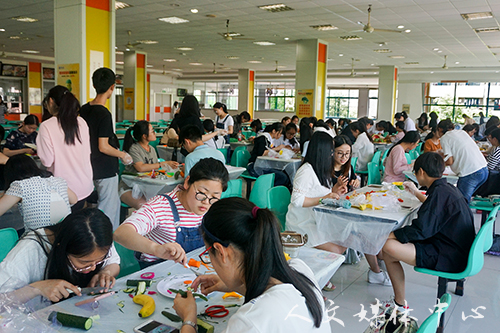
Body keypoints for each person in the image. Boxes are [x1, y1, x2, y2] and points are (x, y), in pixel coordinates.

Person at [172, 197, 330, 333]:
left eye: (208, 253)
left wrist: (189, 319)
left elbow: (258, 318)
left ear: (221, 252)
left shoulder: (249, 321)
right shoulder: (300, 269)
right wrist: (233, 285)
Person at [381, 152, 475, 311]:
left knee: (387, 248)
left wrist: (388, 235)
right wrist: (416, 193)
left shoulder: (439, 193)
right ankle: (399, 301)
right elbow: (434, 212)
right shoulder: (446, 189)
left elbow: (421, 230)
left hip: (449, 255)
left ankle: (399, 304)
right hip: (456, 247)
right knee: (391, 246)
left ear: (421, 172)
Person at [114, 158, 228, 269]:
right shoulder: (161, 206)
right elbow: (121, 233)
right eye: (202, 193)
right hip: (157, 273)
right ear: (187, 182)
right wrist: (156, 248)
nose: (206, 202)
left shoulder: (212, 206)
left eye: (214, 197)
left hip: (192, 269)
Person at [0, 208, 120, 306]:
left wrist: (106, 272)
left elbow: (114, 263)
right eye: (85, 262)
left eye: (99, 261)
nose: (93, 267)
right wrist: (37, 288)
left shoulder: (97, 239)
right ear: (62, 247)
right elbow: (2, 300)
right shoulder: (31, 249)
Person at [80, 67, 132, 230]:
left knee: (91, 205)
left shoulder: (83, 109)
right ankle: (106, 241)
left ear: (94, 86)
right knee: (108, 207)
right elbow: (103, 146)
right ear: (112, 87)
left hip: (86, 165)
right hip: (105, 167)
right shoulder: (104, 113)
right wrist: (122, 155)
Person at [36, 85, 93, 212]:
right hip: (84, 186)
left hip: (62, 190)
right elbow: (87, 152)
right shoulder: (82, 122)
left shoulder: (46, 126)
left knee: (62, 227)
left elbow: (47, 161)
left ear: (51, 101)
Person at [0, 154, 77, 230]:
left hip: (39, 236)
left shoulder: (20, 186)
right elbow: (74, 200)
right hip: (66, 232)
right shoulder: (58, 180)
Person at [119, 121, 179, 209]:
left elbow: (154, 169)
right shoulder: (134, 149)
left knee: (160, 204)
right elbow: (140, 167)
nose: (155, 133)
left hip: (145, 187)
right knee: (145, 207)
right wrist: (161, 164)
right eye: (152, 131)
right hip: (129, 188)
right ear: (144, 136)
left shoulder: (151, 149)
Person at [437, 119, 488, 202]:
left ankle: (464, 215)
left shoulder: (444, 138)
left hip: (470, 172)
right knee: (464, 200)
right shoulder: (461, 132)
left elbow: (450, 161)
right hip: (484, 169)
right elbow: (459, 149)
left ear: (439, 129)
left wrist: (437, 165)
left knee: (460, 202)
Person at [246, 122, 289, 186]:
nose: (280, 136)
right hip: (254, 166)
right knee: (282, 177)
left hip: (263, 165)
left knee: (284, 173)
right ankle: (268, 190)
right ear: (274, 131)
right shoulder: (263, 138)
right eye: (279, 133)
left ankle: (272, 189)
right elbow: (261, 153)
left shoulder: (270, 140)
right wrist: (277, 148)